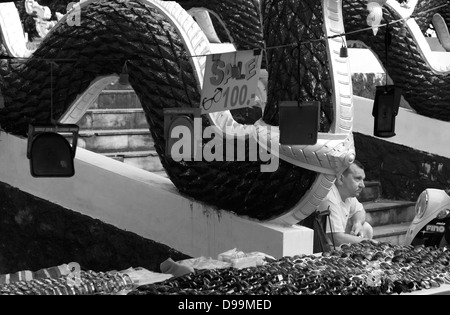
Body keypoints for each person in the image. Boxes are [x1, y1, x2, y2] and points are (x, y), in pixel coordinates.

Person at [317, 160, 374, 247]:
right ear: (340, 179)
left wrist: (357, 223)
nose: (363, 185)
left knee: (366, 227)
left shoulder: (348, 194)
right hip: (325, 249)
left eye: (363, 180)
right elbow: (337, 238)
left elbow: (360, 211)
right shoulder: (329, 198)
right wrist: (370, 242)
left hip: (336, 243)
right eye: (358, 179)